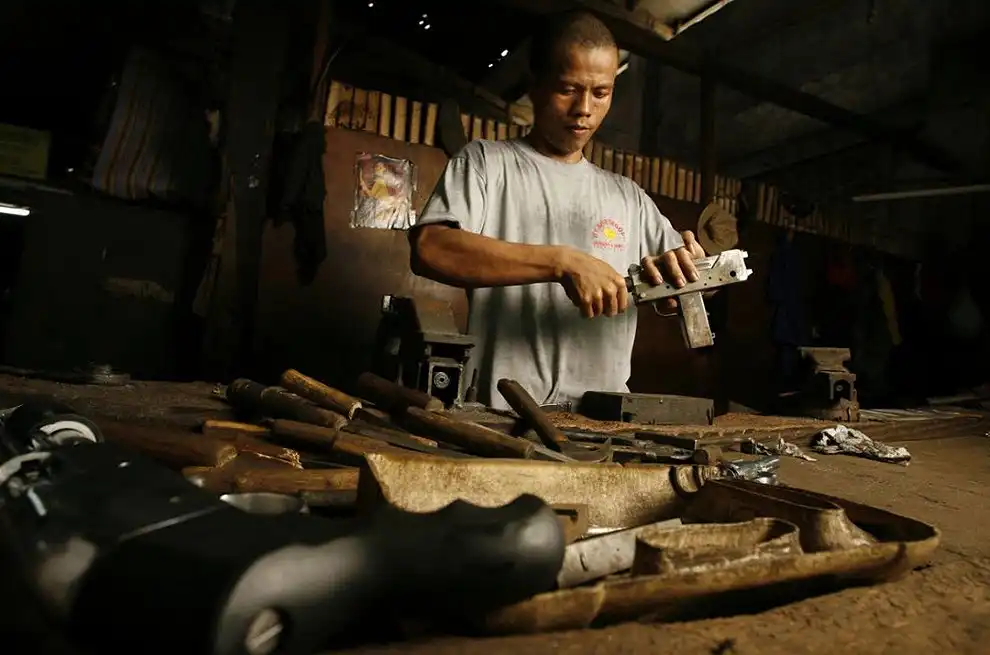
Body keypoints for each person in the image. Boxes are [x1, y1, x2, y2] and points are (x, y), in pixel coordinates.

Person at [408, 10, 706, 410]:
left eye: (601, 93)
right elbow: (430, 248)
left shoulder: (628, 198)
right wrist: (562, 263)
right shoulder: (486, 164)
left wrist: (688, 274)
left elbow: (689, 282)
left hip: (604, 420)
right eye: (568, 89)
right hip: (503, 414)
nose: (584, 109)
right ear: (535, 86)